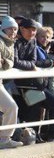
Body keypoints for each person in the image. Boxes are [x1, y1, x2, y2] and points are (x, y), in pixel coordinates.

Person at [0, 16, 23, 149]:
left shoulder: (10, 43)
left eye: (15, 29)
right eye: (11, 29)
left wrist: (5, 62)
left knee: (11, 107)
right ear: (4, 29)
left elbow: (10, 62)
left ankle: (4, 139)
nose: (13, 32)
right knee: (11, 107)